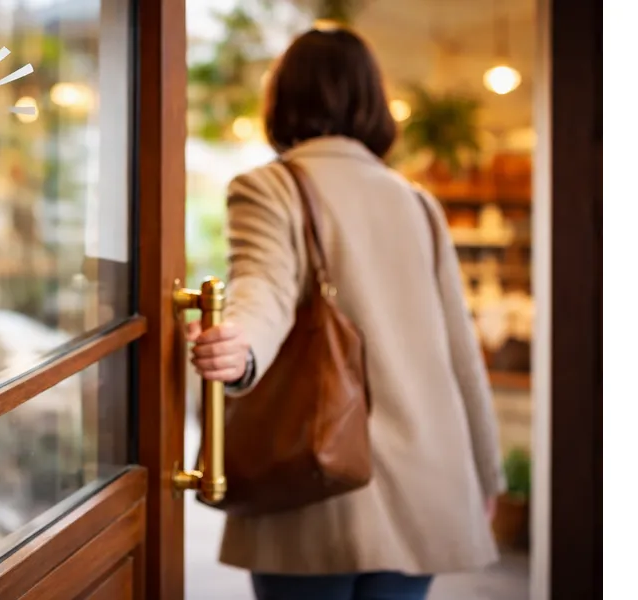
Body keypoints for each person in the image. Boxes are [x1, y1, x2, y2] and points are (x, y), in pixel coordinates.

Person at [186, 22, 507, 600]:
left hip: (315, 485)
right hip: (429, 481)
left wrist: (240, 347)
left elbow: (263, 289)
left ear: (281, 100)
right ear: (372, 102)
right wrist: (486, 474)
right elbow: (463, 353)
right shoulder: (417, 202)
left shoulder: (270, 187)